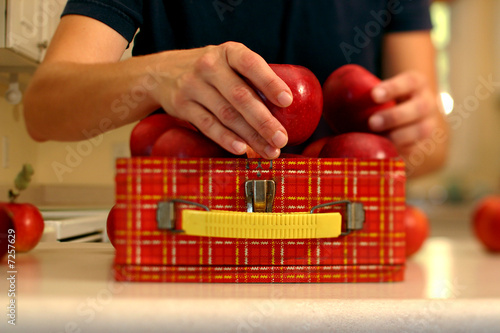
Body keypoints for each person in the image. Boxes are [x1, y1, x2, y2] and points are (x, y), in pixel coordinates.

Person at [23, 0, 449, 178]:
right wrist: (155, 75)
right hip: (189, 239)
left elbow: (436, 146)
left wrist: (414, 128)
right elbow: (43, 109)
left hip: (338, 248)